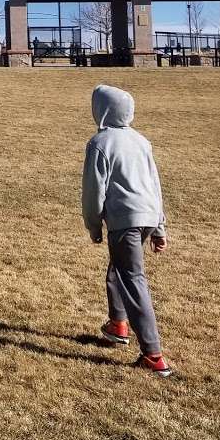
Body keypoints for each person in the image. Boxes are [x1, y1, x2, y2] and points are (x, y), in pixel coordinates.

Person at [82, 84, 173, 377]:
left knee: (132, 278)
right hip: (147, 215)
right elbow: (154, 184)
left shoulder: (100, 143)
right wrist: (159, 227)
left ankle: (153, 353)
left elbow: (93, 192)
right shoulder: (142, 141)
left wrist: (94, 225)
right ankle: (117, 324)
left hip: (125, 220)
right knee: (118, 268)